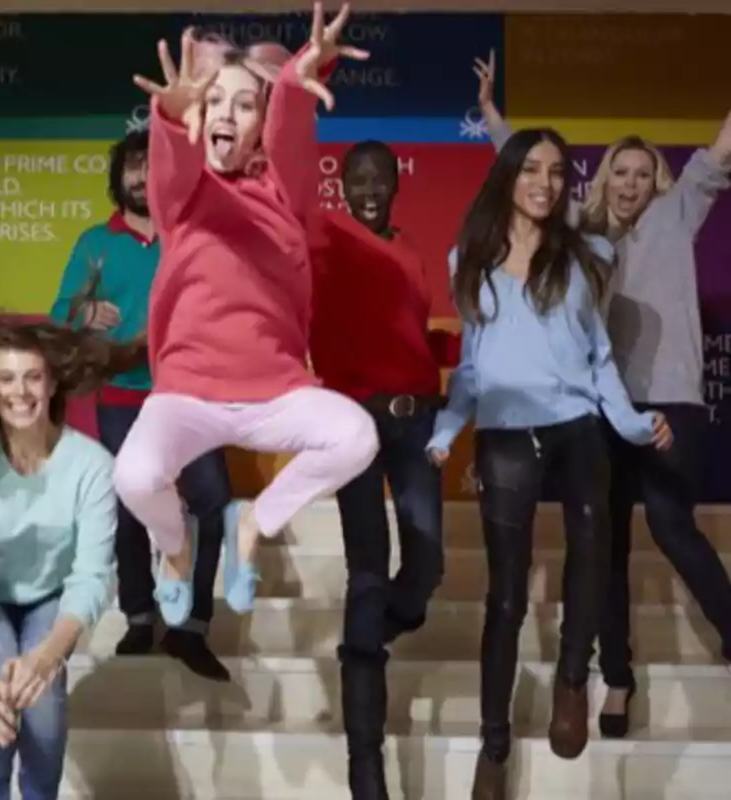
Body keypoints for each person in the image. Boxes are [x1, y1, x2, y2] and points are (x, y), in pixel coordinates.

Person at [474, 50, 731, 738]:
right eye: (620, 170)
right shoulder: (581, 237)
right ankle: (615, 681)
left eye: (643, 173)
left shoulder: (679, 213)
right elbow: (526, 172)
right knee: (605, 550)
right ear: (604, 178)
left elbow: (721, 148)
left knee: (674, 527)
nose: (631, 182)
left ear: (657, 181)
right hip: (600, 411)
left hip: (669, 403)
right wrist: (497, 119)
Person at [425, 128, 673, 799]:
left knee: (593, 549)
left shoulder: (588, 253)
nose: (546, 182)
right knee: (505, 596)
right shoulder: (468, 258)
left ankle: (572, 679)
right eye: (532, 168)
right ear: (507, 175)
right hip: (507, 434)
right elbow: (474, 366)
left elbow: (597, 358)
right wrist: (449, 430)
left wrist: (631, 423)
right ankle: (494, 743)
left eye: (558, 172)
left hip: (577, 427)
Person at [113, 3, 379, 629]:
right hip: (187, 392)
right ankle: (177, 547)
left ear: (260, 124)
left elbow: (291, 134)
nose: (227, 115)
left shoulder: (284, 194)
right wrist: (174, 115)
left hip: (275, 390)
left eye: (245, 104)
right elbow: (171, 159)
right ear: (201, 118)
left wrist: (294, 82)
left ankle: (251, 523)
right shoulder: (181, 197)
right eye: (216, 103)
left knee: (356, 437)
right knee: (134, 474)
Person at [0, 319, 135, 800]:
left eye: (33, 377)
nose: (20, 392)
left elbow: (92, 576)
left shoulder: (93, 466)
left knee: (44, 704)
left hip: (51, 597)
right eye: (6, 379)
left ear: (52, 383)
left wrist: (48, 655)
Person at [49, 129, 233, 681]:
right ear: (118, 178)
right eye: (132, 167)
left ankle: (191, 627)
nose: (139, 177)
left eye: (151, 166)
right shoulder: (94, 244)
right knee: (129, 506)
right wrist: (85, 313)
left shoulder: (193, 235)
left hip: (191, 396)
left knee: (213, 500)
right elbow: (59, 311)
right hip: (121, 398)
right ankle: (139, 615)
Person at [308, 139, 459, 798]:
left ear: (397, 185)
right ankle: (365, 773)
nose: (369, 189)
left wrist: (458, 342)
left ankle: (368, 638)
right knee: (367, 572)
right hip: (353, 426)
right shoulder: (328, 237)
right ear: (342, 186)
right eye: (357, 180)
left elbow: (402, 332)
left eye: (380, 180)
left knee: (426, 565)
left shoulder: (409, 250)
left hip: (417, 418)